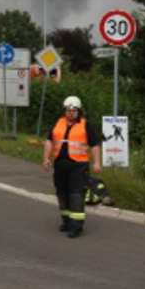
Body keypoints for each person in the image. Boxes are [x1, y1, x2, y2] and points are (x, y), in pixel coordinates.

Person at [42, 95, 102, 238]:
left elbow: (94, 145)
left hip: (78, 166)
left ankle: (76, 225)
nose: (71, 113)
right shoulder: (59, 123)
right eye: (68, 110)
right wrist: (46, 158)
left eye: (74, 110)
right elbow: (49, 141)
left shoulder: (85, 125)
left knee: (76, 194)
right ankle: (67, 221)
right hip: (60, 165)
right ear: (64, 111)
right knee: (62, 193)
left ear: (79, 111)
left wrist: (97, 162)